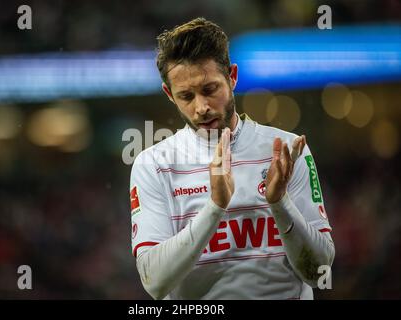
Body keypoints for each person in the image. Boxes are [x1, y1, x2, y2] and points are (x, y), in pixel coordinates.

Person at [129, 17, 334, 300]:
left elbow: (319, 272)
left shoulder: (286, 149)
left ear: (232, 77)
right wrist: (215, 207)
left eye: (210, 89)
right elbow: (155, 283)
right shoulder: (153, 165)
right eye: (186, 96)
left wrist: (280, 203)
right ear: (169, 94)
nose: (201, 107)